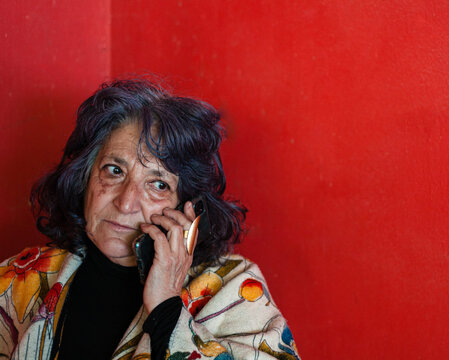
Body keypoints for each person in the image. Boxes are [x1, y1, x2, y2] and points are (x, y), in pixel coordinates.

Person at [0, 79, 300, 360]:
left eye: (158, 184)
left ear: (189, 208)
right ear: (85, 178)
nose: (126, 202)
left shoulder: (232, 288)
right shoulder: (18, 278)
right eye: (114, 170)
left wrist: (167, 307)